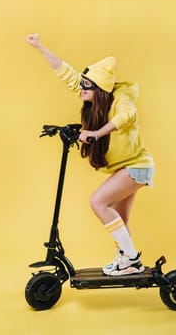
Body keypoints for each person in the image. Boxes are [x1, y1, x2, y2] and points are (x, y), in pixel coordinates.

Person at [26, 33, 155, 276]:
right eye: (83, 83)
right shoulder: (93, 98)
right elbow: (66, 73)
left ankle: (133, 260)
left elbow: (128, 116)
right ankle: (126, 259)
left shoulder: (121, 100)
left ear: (100, 89)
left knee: (98, 202)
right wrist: (40, 46)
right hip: (128, 168)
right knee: (119, 220)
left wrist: (97, 133)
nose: (81, 87)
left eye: (87, 84)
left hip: (137, 166)